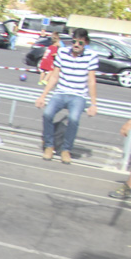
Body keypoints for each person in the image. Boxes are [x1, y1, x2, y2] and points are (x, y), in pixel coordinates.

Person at [35, 28, 98, 164]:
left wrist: (93, 104)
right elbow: (54, 76)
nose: (76, 45)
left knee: (73, 119)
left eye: (80, 43)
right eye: (74, 42)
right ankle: (49, 146)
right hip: (61, 92)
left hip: (78, 95)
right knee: (47, 114)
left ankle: (66, 149)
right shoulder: (62, 52)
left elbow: (91, 81)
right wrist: (43, 96)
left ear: (86, 43)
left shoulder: (91, 56)